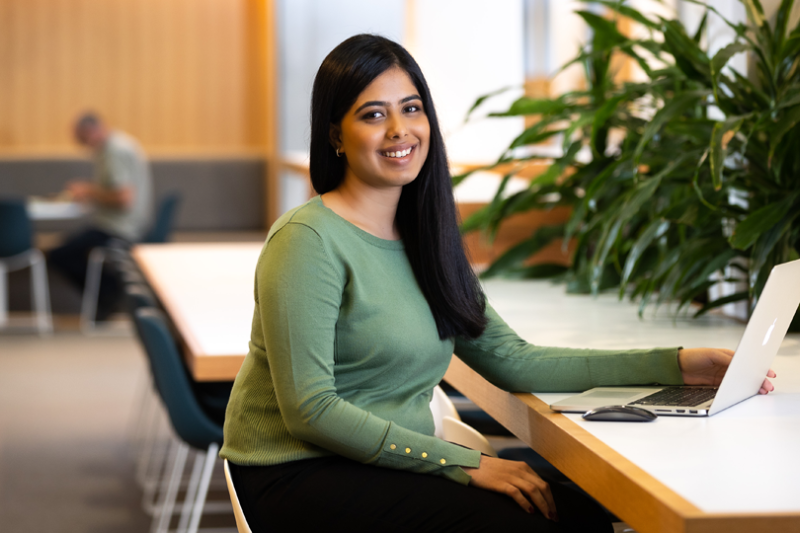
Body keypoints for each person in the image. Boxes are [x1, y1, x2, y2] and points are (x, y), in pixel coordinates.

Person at [220, 35, 775, 532]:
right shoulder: (307, 240)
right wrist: (464, 464)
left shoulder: (425, 237)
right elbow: (311, 411)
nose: (399, 131)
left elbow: (514, 360)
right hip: (297, 472)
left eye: (411, 109)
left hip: (383, 461)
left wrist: (676, 365)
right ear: (335, 136)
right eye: (373, 115)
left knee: (574, 512)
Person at [48, 112, 153, 320]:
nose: (83, 146)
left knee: (59, 255)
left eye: (82, 140)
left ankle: (110, 292)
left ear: (92, 131)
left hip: (121, 227)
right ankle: (108, 295)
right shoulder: (117, 145)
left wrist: (88, 191)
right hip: (121, 223)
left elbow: (124, 199)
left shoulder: (114, 151)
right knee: (68, 247)